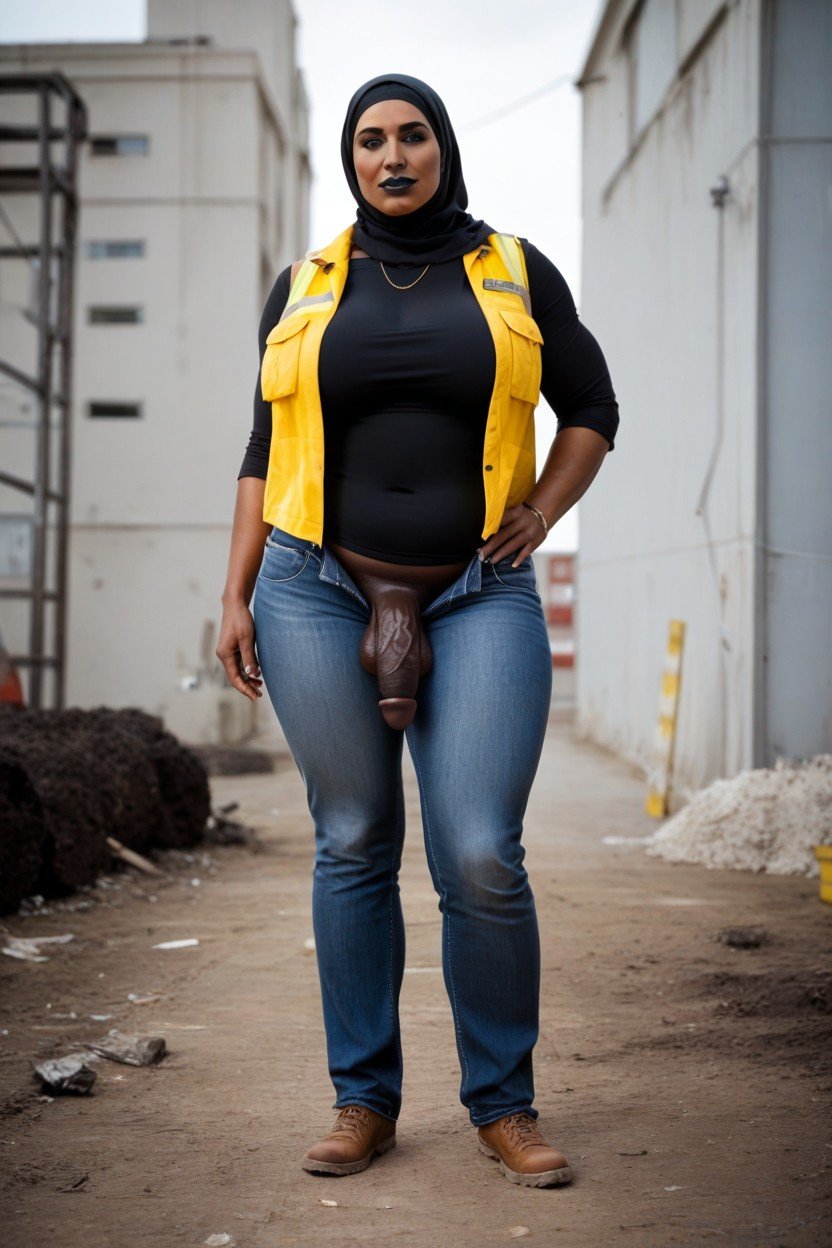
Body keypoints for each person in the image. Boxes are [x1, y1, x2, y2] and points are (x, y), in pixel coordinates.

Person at [217, 72, 619, 1189]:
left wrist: (540, 509)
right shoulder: (301, 287)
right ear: (350, 163)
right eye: (369, 141)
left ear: (442, 145)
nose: (391, 157)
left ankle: (504, 1105)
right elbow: (262, 449)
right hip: (312, 586)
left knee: (481, 852)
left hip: (475, 591)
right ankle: (363, 1101)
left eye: (411, 136)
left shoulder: (514, 270)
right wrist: (235, 591)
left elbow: (592, 407)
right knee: (351, 840)